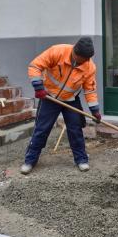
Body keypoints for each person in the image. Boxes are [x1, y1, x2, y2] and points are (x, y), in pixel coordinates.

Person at [20, 37, 101, 174]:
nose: (81, 62)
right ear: (74, 51)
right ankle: (29, 161)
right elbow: (35, 66)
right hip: (49, 97)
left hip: (71, 99)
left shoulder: (89, 67)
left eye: (85, 60)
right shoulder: (57, 51)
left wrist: (95, 110)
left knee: (75, 130)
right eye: (79, 58)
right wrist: (38, 87)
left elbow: (90, 90)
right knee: (41, 129)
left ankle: (81, 159)